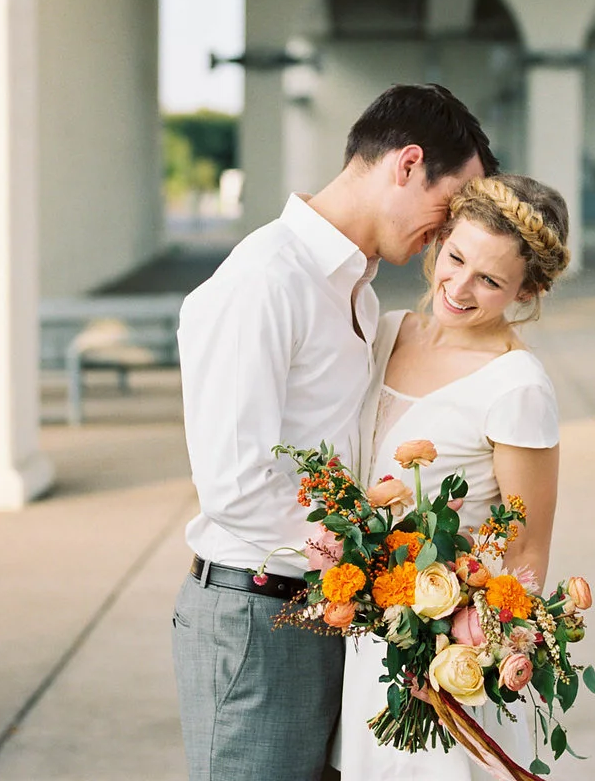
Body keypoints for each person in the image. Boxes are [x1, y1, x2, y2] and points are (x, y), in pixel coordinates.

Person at [171, 83, 498, 781]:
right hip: (255, 618)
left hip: (325, 613)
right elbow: (236, 483)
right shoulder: (266, 279)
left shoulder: (358, 290)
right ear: (407, 164)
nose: (443, 236)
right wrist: (380, 571)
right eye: (448, 209)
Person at [337, 173, 571, 781]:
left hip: (444, 672)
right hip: (368, 643)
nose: (459, 287)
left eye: (489, 280)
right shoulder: (387, 331)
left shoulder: (516, 386)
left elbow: (526, 551)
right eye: (455, 257)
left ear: (529, 289)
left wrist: (456, 655)